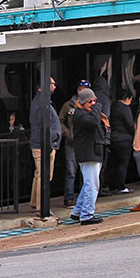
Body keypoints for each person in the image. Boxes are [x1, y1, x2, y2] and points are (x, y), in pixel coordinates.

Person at [69, 88, 105, 225]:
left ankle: (78, 211)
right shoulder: (80, 115)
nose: (94, 103)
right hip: (88, 153)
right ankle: (87, 214)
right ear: (83, 102)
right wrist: (98, 107)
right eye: (90, 101)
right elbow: (94, 122)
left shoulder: (84, 113)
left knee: (89, 183)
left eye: (95, 100)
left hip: (91, 151)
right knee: (92, 184)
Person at [29, 77, 61, 213]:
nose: (55, 87)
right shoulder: (42, 103)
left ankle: (35, 202)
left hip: (40, 143)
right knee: (44, 174)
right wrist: (50, 144)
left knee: (39, 174)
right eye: (53, 84)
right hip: (43, 144)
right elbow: (45, 126)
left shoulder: (40, 101)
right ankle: (42, 207)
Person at [58, 79, 91, 208]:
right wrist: (68, 133)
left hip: (85, 142)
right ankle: (69, 198)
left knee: (86, 172)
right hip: (72, 143)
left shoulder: (92, 104)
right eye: (81, 89)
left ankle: (84, 198)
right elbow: (59, 121)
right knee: (71, 171)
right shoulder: (69, 105)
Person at [109, 88, 135, 194]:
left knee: (115, 163)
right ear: (127, 98)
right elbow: (129, 124)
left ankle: (113, 185)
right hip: (124, 139)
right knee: (123, 163)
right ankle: (121, 186)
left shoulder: (113, 106)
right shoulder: (125, 108)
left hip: (114, 138)